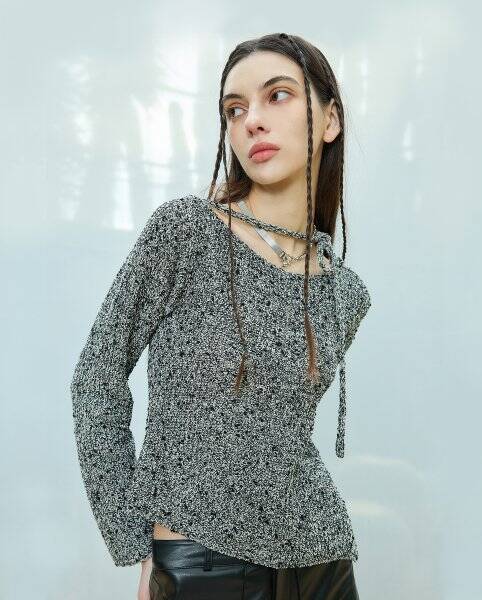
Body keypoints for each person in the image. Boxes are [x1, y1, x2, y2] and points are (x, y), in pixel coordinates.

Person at [70, 32, 371, 600]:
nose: (252, 120)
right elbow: (95, 380)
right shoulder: (186, 232)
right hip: (201, 562)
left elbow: (280, 433)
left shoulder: (344, 291)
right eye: (235, 109)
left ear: (329, 120)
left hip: (322, 561)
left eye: (277, 95)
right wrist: (138, 544)